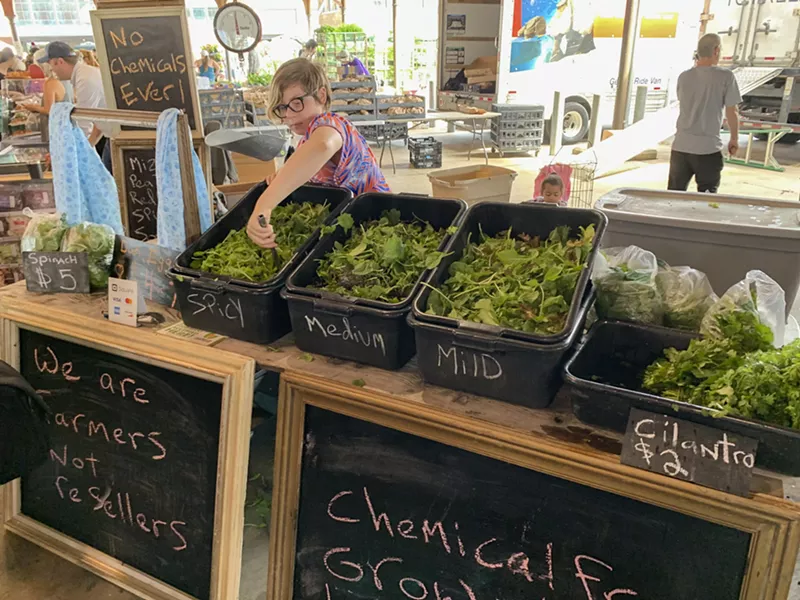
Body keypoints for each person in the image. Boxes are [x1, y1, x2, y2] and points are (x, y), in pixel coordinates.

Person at [246, 58, 389, 248]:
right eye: (282, 107)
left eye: (296, 103)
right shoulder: (306, 139)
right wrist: (283, 177)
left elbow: (323, 145)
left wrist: (263, 205)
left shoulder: (330, 124)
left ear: (321, 96)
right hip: (347, 232)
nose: (289, 114)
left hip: (378, 227)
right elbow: (309, 164)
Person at [668, 33, 741, 194]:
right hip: (707, 150)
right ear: (716, 50)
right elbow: (732, 112)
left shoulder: (684, 77)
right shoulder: (726, 77)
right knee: (707, 200)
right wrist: (734, 139)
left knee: (672, 197)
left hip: (680, 148)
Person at [37, 41, 112, 172]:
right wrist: (88, 146)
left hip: (115, 139)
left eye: (50, 64)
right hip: (109, 137)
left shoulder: (85, 79)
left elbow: (83, 125)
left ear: (59, 61)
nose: (51, 70)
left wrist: (65, 155)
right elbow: (98, 118)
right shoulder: (84, 74)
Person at [20, 49, 73, 115]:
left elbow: (49, 110)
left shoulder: (51, 82)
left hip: (55, 122)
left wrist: (34, 107)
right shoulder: (66, 78)